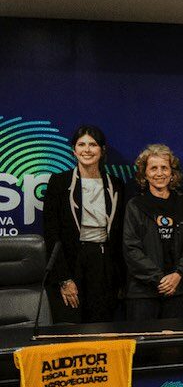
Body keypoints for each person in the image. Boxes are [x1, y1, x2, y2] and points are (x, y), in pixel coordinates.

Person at [42, 125, 126, 323]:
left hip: (104, 265)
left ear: (102, 150)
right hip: (72, 263)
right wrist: (64, 278)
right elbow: (51, 233)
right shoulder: (59, 182)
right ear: (73, 150)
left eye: (93, 144)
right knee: (71, 326)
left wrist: (119, 277)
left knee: (101, 327)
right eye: (81, 144)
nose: (87, 150)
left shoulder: (116, 184)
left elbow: (121, 232)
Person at [122, 144, 183, 320]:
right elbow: (131, 249)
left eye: (164, 168)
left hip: (178, 289)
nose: (159, 173)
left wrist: (178, 274)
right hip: (143, 292)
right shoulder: (135, 206)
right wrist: (159, 279)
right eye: (153, 168)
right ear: (144, 174)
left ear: (172, 173)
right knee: (144, 346)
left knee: (175, 347)